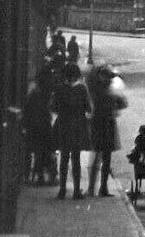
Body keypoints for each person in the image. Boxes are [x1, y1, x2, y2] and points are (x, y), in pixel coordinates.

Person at [51, 62, 92, 200]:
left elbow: (53, 108)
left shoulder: (59, 89)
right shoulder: (82, 89)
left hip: (63, 125)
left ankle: (62, 190)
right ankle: (76, 191)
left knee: (63, 158)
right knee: (76, 159)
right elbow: (89, 108)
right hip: (77, 126)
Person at [87, 66, 128, 196]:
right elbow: (123, 103)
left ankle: (94, 188)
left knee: (99, 158)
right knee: (104, 158)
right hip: (106, 125)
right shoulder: (106, 92)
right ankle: (101, 188)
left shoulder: (97, 90)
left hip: (99, 125)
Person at [22, 75, 55, 185]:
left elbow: (27, 110)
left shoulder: (34, 94)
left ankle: (38, 175)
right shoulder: (43, 95)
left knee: (38, 152)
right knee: (44, 151)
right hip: (42, 126)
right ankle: (43, 176)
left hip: (35, 126)